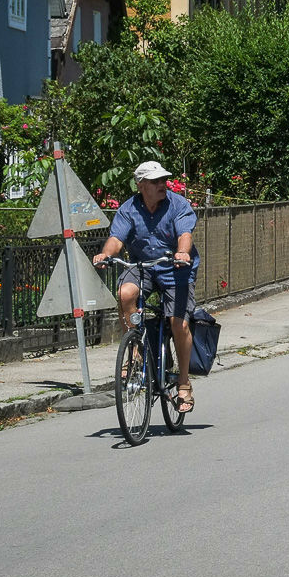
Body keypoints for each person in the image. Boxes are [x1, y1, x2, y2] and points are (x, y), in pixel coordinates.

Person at [93, 160, 200, 413]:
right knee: (125, 292)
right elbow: (116, 239)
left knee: (178, 323)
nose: (162, 184)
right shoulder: (129, 209)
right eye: (155, 181)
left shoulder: (178, 205)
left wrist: (182, 253)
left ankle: (184, 383)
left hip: (175, 268)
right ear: (141, 185)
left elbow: (184, 234)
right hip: (144, 267)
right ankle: (135, 351)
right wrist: (105, 255)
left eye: (164, 180)